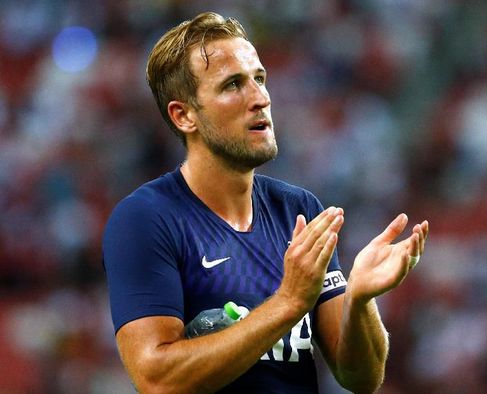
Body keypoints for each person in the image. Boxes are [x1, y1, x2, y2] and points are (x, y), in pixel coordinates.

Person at [102, 11, 428, 394]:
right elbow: (157, 379)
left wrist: (359, 299)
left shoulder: (298, 210)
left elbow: (361, 377)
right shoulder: (146, 219)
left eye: (259, 78)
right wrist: (288, 302)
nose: (260, 98)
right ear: (184, 115)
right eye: (232, 85)